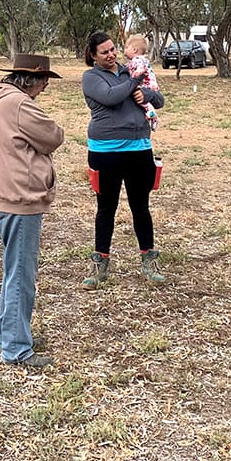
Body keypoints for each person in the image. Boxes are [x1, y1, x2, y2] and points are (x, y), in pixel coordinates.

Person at [0, 53, 65, 368]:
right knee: (21, 275)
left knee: (13, 271)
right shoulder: (19, 105)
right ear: (31, 79)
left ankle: (11, 334)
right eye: (44, 80)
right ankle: (16, 348)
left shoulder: (0, 100)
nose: (45, 87)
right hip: (20, 198)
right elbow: (53, 136)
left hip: (5, 196)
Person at [80, 31, 167, 288]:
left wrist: (147, 95)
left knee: (141, 207)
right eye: (104, 52)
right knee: (106, 208)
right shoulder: (91, 77)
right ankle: (100, 263)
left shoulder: (133, 68)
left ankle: (148, 259)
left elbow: (158, 98)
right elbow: (111, 97)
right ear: (93, 55)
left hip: (139, 148)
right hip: (105, 151)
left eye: (113, 49)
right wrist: (135, 80)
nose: (111, 55)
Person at [123, 33, 160, 131]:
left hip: (146, 84)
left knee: (142, 101)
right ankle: (151, 115)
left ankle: (152, 115)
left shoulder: (137, 59)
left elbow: (140, 69)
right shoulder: (143, 59)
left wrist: (135, 75)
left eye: (126, 48)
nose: (125, 51)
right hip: (151, 84)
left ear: (134, 50)